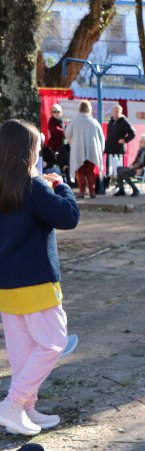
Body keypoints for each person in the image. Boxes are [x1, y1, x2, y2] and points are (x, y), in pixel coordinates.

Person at [0, 119, 80, 435]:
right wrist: (61, 186)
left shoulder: (7, 185)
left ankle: (24, 410)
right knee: (53, 343)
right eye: (36, 147)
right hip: (35, 281)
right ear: (25, 152)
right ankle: (13, 404)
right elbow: (68, 217)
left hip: (6, 282)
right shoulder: (33, 186)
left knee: (23, 350)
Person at [65, 100, 105, 199]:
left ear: (79, 109)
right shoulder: (94, 122)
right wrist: (101, 150)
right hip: (93, 150)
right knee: (90, 172)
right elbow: (101, 138)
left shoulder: (74, 121)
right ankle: (92, 191)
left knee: (81, 172)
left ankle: (82, 191)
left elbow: (67, 134)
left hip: (78, 149)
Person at [104, 104, 136, 194]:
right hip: (109, 149)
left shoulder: (123, 121)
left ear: (120, 112)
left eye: (117, 111)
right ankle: (107, 184)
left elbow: (132, 133)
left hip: (118, 149)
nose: (115, 113)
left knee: (118, 169)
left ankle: (120, 185)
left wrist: (125, 140)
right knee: (108, 168)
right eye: (114, 111)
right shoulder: (111, 121)